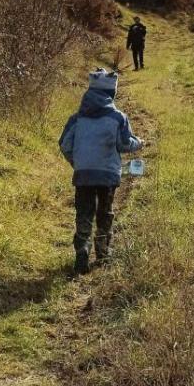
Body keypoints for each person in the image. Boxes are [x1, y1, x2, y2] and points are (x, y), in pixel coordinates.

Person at [58, 68, 140, 275]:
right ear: (111, 92)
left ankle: (82, 251)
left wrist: (76, 162)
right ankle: (103, 253)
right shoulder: (118, 118)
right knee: (105, 212)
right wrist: (138, 142)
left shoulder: (77, 118)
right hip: (107, 174)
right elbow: (124, 144)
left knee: (84, 212)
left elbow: (64, 144)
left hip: (83, 173)